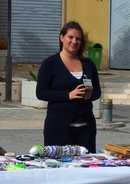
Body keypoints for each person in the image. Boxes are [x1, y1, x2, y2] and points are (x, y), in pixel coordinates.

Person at [36, 21, 101, 153]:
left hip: (85, 129)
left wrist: (90, 95)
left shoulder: (88, 64)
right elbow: (41, 93)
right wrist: (68, 95)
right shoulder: (50, 63)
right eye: (70, 37)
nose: (74, 41)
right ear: (62, 38)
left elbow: (97, 91)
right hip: (59, 128)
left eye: (78, 38)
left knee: (86, 168)